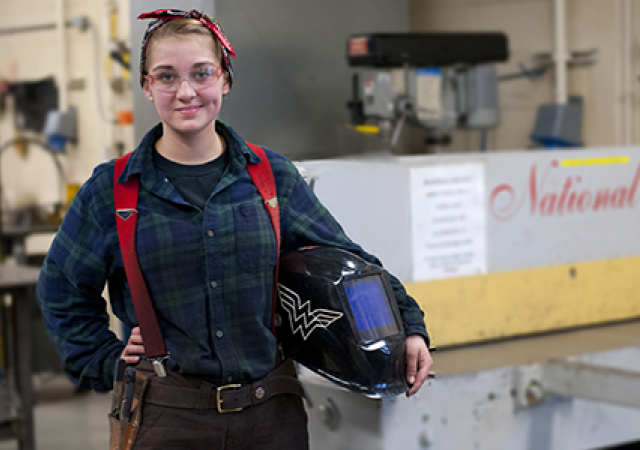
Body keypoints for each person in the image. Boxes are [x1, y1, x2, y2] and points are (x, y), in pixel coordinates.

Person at [36, 8, 433, 449]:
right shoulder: (111, 190)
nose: (186, 91)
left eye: (201, 73)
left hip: (271, 417)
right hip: (166, 418)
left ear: (224, 79)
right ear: (148, 86)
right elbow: (62, 289)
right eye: (166, 77)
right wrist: (103, 359)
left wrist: (409, 326)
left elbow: (349, 261)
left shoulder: (270, 176)